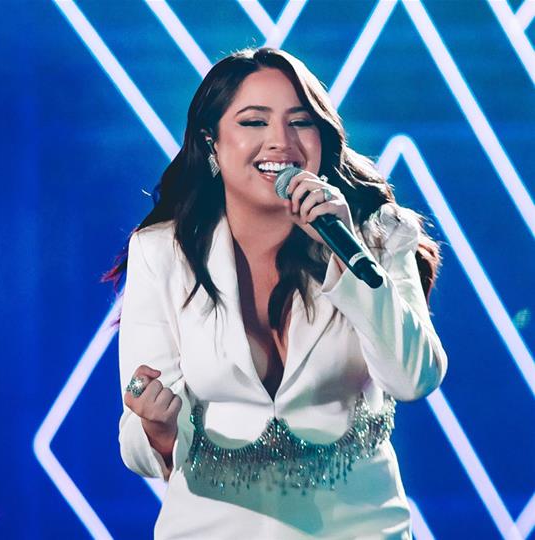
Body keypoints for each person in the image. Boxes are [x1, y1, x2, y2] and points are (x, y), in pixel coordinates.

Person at [106, 47, 448, 539]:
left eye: (300, 122)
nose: (280, 142)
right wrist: (156, 430)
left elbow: (413, 379)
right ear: (211, 143)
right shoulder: (163, 252)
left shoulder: (378, 235)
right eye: (253, 122)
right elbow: (137, 444)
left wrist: (346, 255)